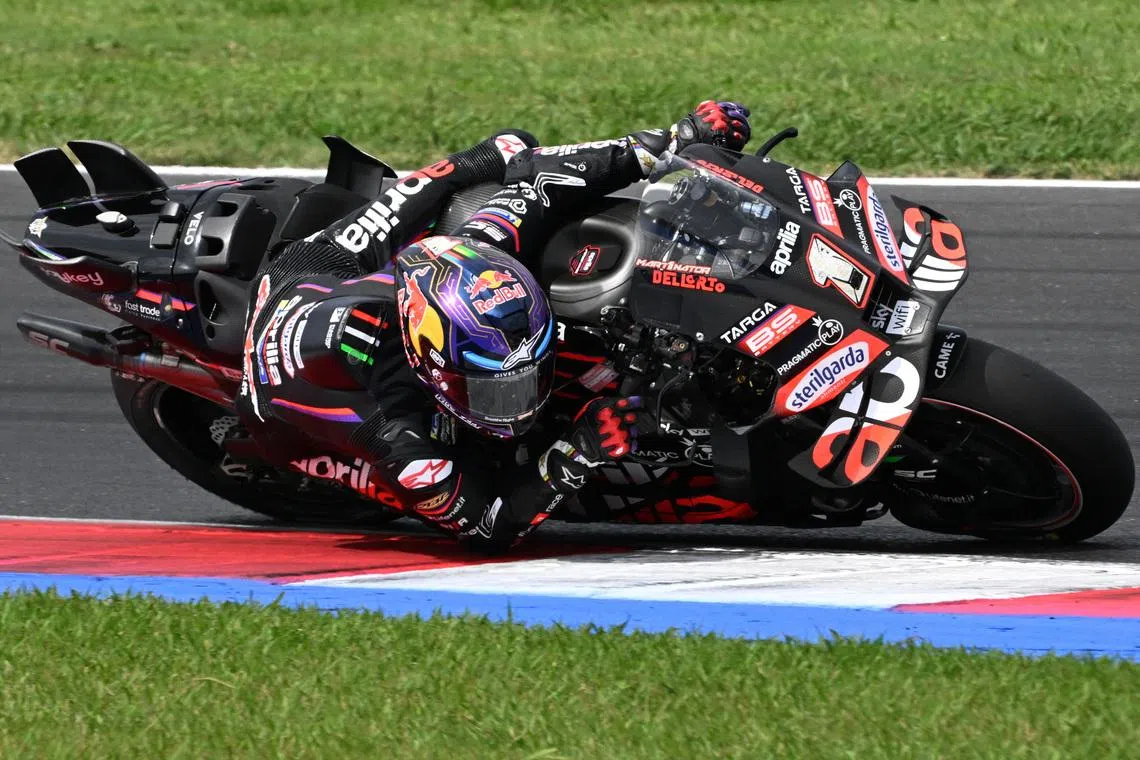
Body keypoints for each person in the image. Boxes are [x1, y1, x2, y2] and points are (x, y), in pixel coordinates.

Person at [236, 101, 752, 551]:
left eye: (522, 382)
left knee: (502, 153)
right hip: (290, 335)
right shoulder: (400, 437)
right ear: (431, 369)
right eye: (496, 393)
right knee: (458, 470)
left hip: (362, 289)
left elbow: (542, 178)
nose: (520, 406)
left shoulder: (489, 246)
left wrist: (675, 139)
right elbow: (488, 528)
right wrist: (576, 451)